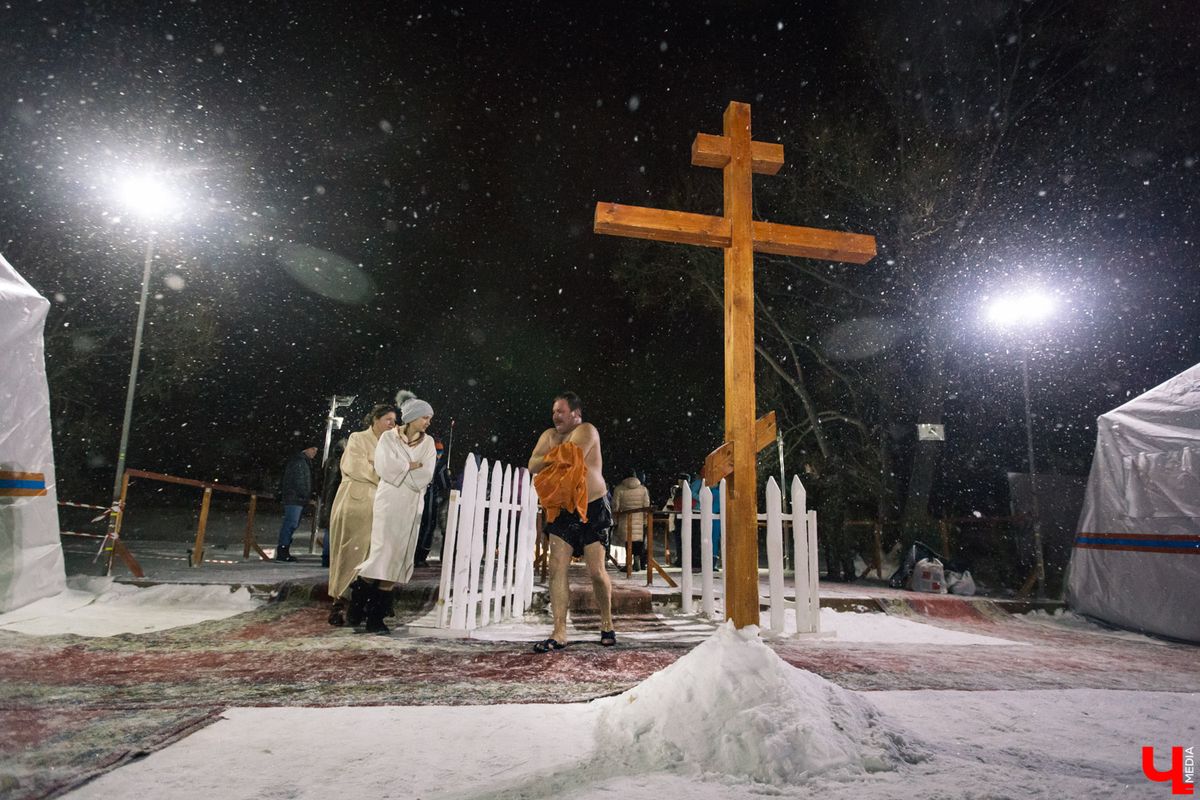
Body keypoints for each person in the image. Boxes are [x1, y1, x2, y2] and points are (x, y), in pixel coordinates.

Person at [528, 391, 615, 652]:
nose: (555, 415)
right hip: (563, 510)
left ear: (576, 414)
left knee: (596, 572)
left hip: (593, 507)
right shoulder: (549, 435)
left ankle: (607, 622)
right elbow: (532, 464)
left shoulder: (588, 430)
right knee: (556, 568)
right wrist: (554, 456)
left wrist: (550, 457)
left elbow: (571, 456)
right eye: (554, 411)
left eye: (561, 411)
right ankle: (559, 631)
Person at [352, 392, 437, 634]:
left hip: (410, 503)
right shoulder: (388, 438)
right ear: (412, 417)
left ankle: (373, 616)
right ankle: (360, 609)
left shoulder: (428, 443)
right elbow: (384, 467)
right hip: (388, 502)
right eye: (425, 417)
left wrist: (403, 471)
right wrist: (408, 466)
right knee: (382, 552)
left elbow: (426, 473)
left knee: (398, 556)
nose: (428, 422)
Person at [326, 405, 396, 626]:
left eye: (395, 420)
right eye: (388, 419)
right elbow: (356, 466)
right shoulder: (357, 438)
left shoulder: (391, 443)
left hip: (378, 507)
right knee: (348, 554)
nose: (392, 424)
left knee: (370, 555)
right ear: (375, 419)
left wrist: (382, 469)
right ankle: (339, 603)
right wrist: (384, 472)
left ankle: (361, 604)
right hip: (355, 503)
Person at [414, 435, 450, 568]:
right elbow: (444, 484)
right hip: (428, 497)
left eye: (441, 452)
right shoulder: (438, 464)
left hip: (419, 497)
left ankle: (415, 555)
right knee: (428, 525)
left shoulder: (420, 459)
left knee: (419, 525)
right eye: (437, 451)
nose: (439, 454)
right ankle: (420, 556)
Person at [276, 445, 317, 562]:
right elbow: (300, 482)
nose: (315, 452)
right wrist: (307, 496)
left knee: (290, 524)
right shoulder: (300, 462)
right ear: (306, 449)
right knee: (291, 524)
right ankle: (283, 551)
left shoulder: (300, 461)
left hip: (294, 498)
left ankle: (283, 550)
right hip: (295, 498)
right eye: (313, 449)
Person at [612, 467, 650, 572]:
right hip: (639, 520)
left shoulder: (619, 489)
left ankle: (628, 563)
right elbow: (646, 505)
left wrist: (616, 518)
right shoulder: (643, 489)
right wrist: (646, 519)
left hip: (625, 519)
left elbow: (616, 506)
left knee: (628, 541)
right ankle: (637, 560)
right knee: (638, 541)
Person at [317, 436, 348, 568]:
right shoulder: (344, 462)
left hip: (328, 498)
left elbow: (322, 482)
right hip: (337, 497)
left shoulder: (329, 462)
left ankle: (326, 557)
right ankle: (331, 557)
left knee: (330, 528)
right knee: (336, 528)